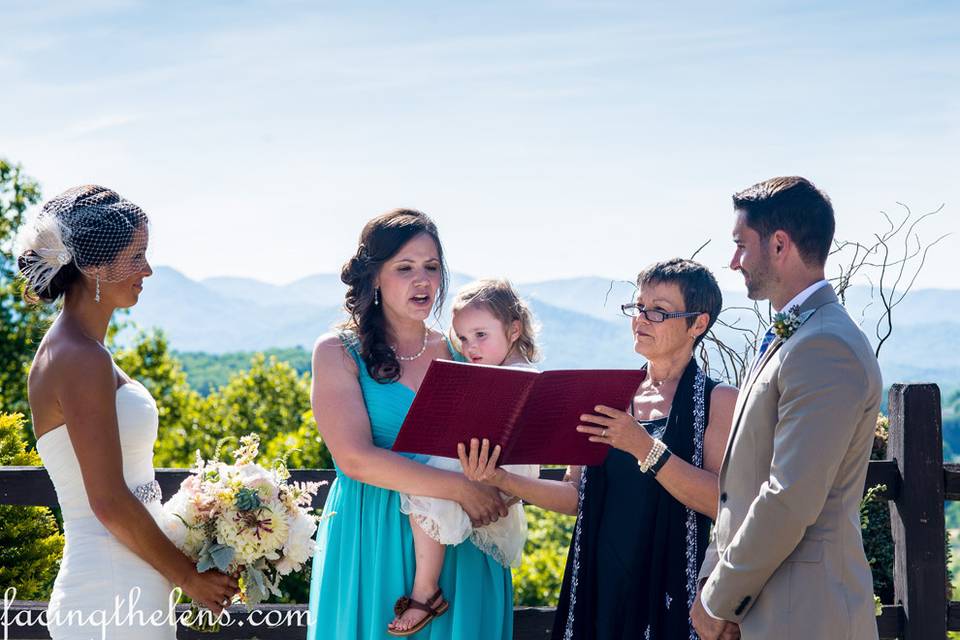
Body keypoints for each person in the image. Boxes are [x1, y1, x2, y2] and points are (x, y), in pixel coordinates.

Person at [460, 258, 738, 639]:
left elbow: (721, 502)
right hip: (597, 584)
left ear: (698, 323)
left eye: (659, 311)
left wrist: (644, 448)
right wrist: (501, 478)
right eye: (638, 307)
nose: (641, 319)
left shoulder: (718, 400)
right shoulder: (609, 394)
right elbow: (575, 497)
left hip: (670, 590)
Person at [16, 185, 238, 640]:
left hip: (127, 583)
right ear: (95, 264)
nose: (148, 270)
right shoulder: (80, 357)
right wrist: (189, 578)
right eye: (136, 256)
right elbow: (109, 500)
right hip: (110, 591)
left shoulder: (82, 350)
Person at [306, 210, 513, 640]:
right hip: (371, 535)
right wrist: (462, 489)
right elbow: (355, 459)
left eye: (431, 268)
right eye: (405, 268)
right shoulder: (338, 352)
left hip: (462, 541)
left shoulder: (463, 349)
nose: (423, 281)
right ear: (374, 277)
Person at [690, 176, 882, 640]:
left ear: (779, 244)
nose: (733, 261)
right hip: (767, 608)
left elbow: (789, 497)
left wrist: (719, 598)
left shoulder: (824, 346)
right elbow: (740, 487)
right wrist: (714, 583)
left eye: (741, 245)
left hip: (807, 613)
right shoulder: (795, 334)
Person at [391, 279, 541, 635]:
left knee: (423, 488)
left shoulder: (512, 378)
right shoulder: (506, 371)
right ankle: (428, 585)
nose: (470, 347)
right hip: (492, 465)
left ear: (514, 329)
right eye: (463, 338)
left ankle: (425, 590)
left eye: (480, 335)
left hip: (495, 466)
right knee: (428, 489)